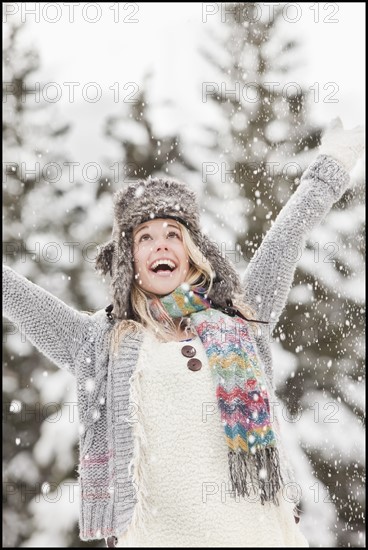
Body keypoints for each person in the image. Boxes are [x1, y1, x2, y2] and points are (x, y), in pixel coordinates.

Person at [3, 119, 364, 548]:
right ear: (129, 261)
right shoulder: (101, 342)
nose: (161, 245)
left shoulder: (241, 319)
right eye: (145, 237)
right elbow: (17, 297)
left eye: (173, 234)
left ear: (191, 252)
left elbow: (286, 238)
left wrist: (332, 165)